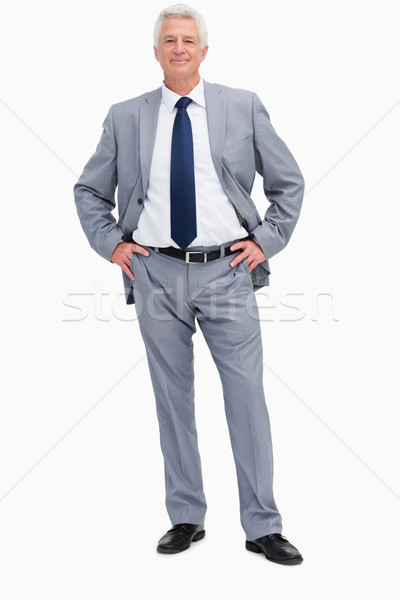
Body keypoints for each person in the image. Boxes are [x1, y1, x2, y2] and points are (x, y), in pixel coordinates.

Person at [74, 3, 305, 564]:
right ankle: (186, 516)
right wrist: (114, 245)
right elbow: (89, 190)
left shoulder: (242, 106)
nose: (179, 47)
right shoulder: (125, 116)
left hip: (229, 271)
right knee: (172, 399)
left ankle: (262, 525)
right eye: (169, 40)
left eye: (188, 40)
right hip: (154, 271)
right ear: (156, 52)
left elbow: (288, 182)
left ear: (204, 51)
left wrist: (264, 243)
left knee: (246, 396)